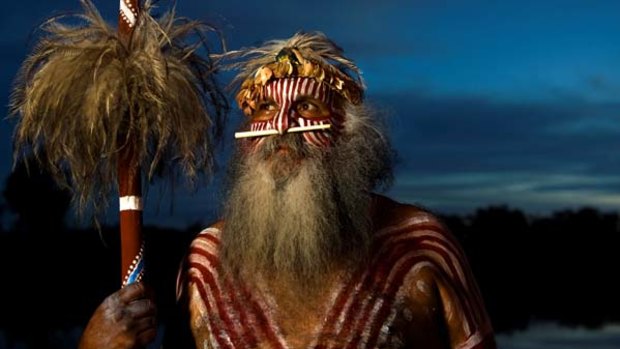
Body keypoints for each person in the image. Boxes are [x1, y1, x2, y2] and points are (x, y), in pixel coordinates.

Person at [79, 32, 496, 349]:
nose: (283, 128)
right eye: (265, 109)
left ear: (349, 135)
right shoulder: (205, 261)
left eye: (307, 108)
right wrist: (98, 343)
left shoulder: (419, 244)